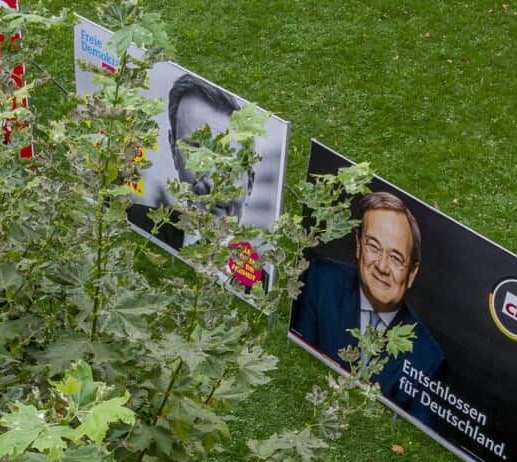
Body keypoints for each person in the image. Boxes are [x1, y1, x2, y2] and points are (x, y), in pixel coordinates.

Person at [290, 192, 445, 423]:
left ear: (412, 272)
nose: (382, 266)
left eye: (396, 258)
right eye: (373, 246)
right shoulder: (319, 280)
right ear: (358, 245)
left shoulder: (429, 357)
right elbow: (296, 364)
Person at [126, 73, 256, 253]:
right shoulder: (133, 220)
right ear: (173, 150)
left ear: (250, 182)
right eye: (195, 151)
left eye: (228, 161)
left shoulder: (258, 275)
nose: (211, 182)